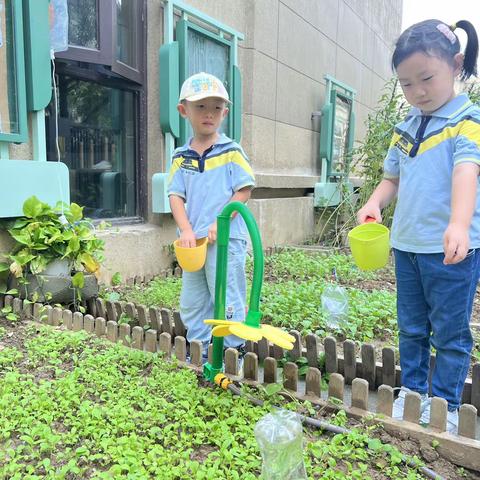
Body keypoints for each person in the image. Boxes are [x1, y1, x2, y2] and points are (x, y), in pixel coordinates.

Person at [357, 20, 480, 434]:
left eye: (426, 78)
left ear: (456, 64)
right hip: (407, 247)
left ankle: (442, 403)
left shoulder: (468, 118)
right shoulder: (405, 125)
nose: (418, 91)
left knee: (449, 332)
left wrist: (459, 224)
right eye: (407, 84)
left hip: (450, 249)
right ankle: (412, 394)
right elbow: (391, 177)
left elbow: (467, 170)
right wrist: (375, 201)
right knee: (410, 326)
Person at [167, 72, 255, 363]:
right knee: (193, 299)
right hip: (195, 242)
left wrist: (222, 221)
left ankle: (234, 350)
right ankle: (201, 349)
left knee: (228, 295)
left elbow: (244, 189)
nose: (209, 114)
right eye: (201, 107)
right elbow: (175, 196)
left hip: (226, 239)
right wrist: (186, 230)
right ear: (184, 111)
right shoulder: (181, 156)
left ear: (225, 112)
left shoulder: (231, 151)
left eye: (216, 108)